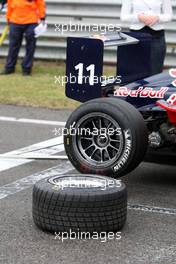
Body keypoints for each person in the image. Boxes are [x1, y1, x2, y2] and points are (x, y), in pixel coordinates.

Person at [120, 0, 173, 75]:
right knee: (136, 69)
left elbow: (169, 16)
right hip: (136, 36)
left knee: (156, 69)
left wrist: (157, 17)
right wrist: (139, 17)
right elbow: (123, 16)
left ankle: (153, 87)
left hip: (157, 36)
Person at [1, 0, 46, 76]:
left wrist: (42, 17)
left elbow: (40, 3)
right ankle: (9, 68)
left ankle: (26, 69)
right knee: (13, 46)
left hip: (31, 21)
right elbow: (9, 4)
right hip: (15, 21)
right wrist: (8, 17)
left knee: (30, 46)